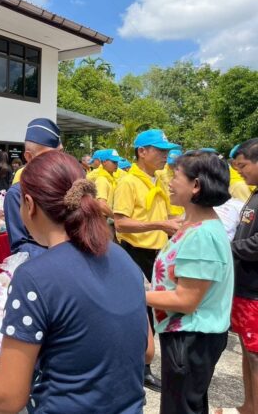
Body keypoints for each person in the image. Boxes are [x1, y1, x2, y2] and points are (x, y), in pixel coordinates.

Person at [0, 151, 148, 413]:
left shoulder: (35, 277)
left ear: (29, 204)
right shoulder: (121, 257)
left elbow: (8, 396)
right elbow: (147, 350)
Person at [145, 151, 233, 414]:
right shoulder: (193, 225)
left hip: (192, 339)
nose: (169, 183)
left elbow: (186, 300)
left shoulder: (202, 236)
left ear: (196, 185)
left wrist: (135, 294)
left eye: (176, 176)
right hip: (187, 336)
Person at [113, 128, 183, 392]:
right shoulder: (128, 182)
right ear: (142, 152)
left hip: (158, 253)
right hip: (134, 252)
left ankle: (144, 366)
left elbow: (167, 214)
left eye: (166, 151)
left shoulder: (159, 180)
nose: (165, 156)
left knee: (156, 311)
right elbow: (121, 223)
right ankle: (139, 368)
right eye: (160, 151)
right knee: (139, 312)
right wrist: (160, 224)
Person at [224, 139, 258, 414]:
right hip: (245, 287)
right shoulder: (254, 194)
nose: (239, 171)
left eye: (243, 165)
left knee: (256, 354)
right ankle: (249, 404)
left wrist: (225, 247)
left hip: (255, 292)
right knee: (248, 352)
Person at [4, 118, 61, 258]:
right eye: (49, 155)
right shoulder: (16, 194)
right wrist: (61, 256)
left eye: (60, 153)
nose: (58, 160)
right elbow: (20, 246)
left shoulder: (66, 186)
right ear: (29, 157)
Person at [156, 148, 185, 218]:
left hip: (181, 208)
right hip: (167, 208)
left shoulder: (184, 172)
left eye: (174, 164)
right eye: (170, 163)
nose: (172, 165)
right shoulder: (159, 172)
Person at [94, 149, 121, 218]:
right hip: (104, 218)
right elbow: (101, 204)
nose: (116, 164)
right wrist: (115, 218)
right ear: (104, 162)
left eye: (117, 162)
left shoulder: (111, 179)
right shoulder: (102, 180)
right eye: (114, 162)